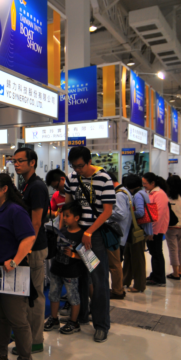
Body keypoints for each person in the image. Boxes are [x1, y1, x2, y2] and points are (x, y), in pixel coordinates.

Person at [64, 146, 115, 343]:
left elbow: (107, 211)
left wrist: (88, 232)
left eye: (80, 166)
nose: (77, 170)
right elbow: (68, 206)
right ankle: (81, 315)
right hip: (76, 237)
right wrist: (66, 231)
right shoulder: (72, 178)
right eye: (74, 166)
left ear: (89, 161)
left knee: (98, 280)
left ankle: (101, 325)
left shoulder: (104, 178)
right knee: (79, 278)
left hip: (92, 239)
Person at [0, 174, 36, 360]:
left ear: (5, 189)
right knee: (0, 317)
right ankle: (0, 355)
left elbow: (29, 238)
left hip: (11, 274)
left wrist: (14, 262)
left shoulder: (15, 210)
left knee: (17, 320)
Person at [13, 147, 48, 355]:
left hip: (33, 249)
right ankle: (27, 338)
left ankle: (34, 341)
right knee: (27, 295)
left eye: (20, 161)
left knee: (34, 295)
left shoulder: (36, 187)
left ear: (32, 162)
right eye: (14, 161)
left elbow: (35, 222)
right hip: (29, 247)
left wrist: (26, 249)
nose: (16, 164)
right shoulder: (27, 185)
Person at [44, 202, 86, 335]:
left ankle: (74, 322)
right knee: (53, 294)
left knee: (73, 297)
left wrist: (73, 254)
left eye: (67, 216)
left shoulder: (82, 235)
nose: (65, 218)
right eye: (64, 215)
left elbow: (88, 258)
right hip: (56, 269)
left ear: (76, 217)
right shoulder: (62, 231)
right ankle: (54, 318)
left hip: (71, 272)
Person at [122, 175, 153, 293]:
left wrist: (127, 214)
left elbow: (140, 212)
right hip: (137, 230)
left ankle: (139, 285)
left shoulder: (138, 196)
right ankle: (125, 280)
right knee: (129, 256)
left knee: (137, 258)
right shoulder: (143, 193)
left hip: (137, 231)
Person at [142, 173, 170, 287]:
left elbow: (158, 215)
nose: (144, 185)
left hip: (156, 230)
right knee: (154, 253)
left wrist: (152, 232)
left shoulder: (160, 194)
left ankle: (159, 277)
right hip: (152, 229)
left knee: (157, 253)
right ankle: (155, 275)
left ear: (153, 183)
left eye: (145, 183)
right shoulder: (151, 193)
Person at [108, 173, 131, 300]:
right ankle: (118, 288)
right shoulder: (124, 191)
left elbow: (121, 214)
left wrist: (106, 211)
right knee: (116, 263)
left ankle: (117, 290)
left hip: (116, 234)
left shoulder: (119, 195)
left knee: (115, 264)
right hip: (121, 233)